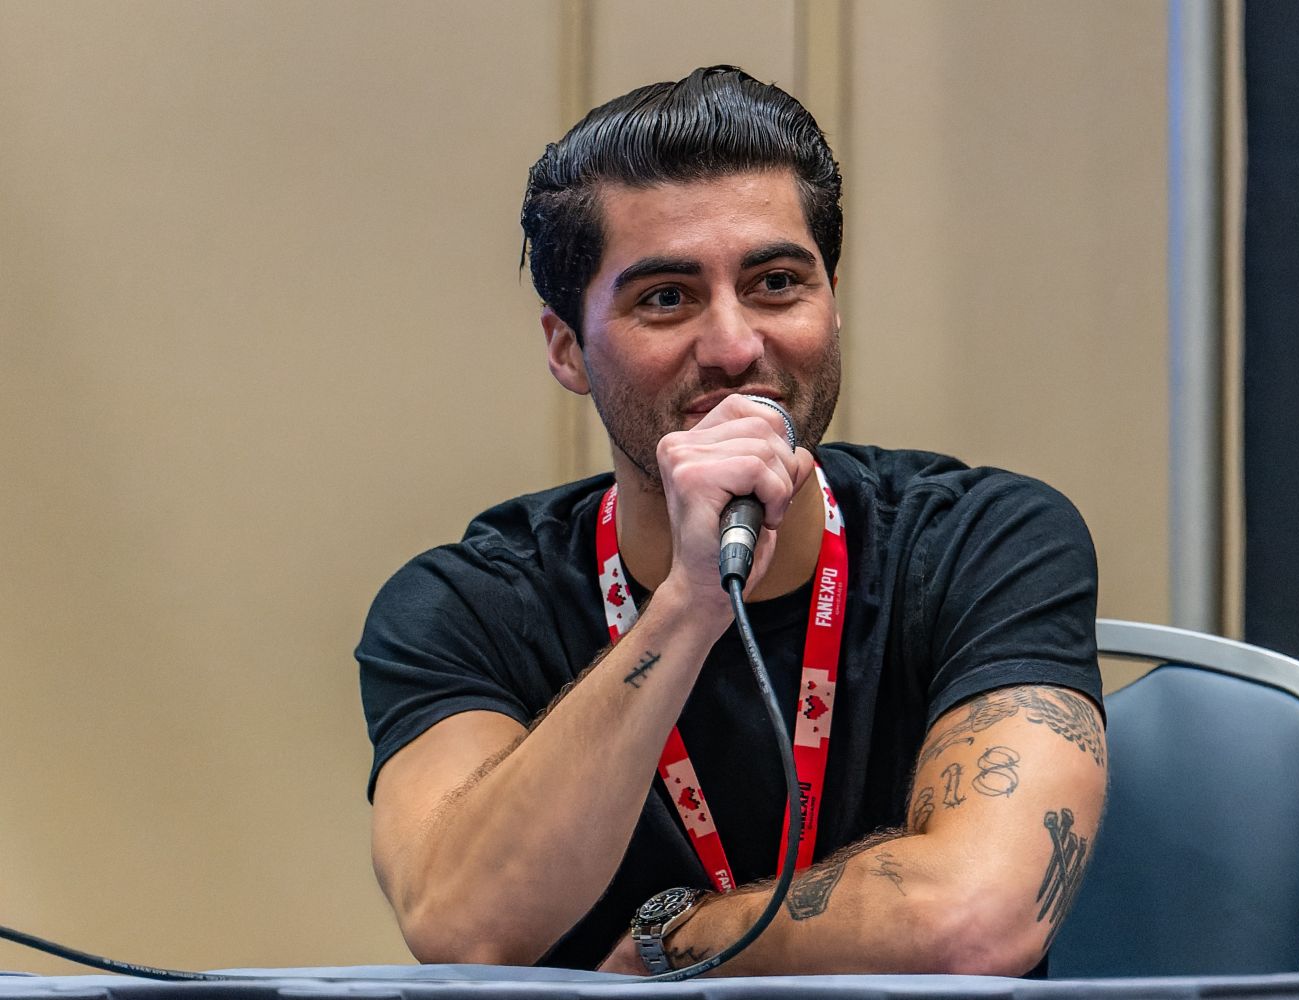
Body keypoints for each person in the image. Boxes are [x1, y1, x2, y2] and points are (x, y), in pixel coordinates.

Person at [356, 65, 1105, 978]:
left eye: (777, 282)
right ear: (568, 349)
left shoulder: (986, 542)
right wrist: (690, 602)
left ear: (831, 303)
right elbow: (464, 926)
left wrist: (668, 947)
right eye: (665, 297)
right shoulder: (464, 604)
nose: (734, 347)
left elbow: (977, 919)